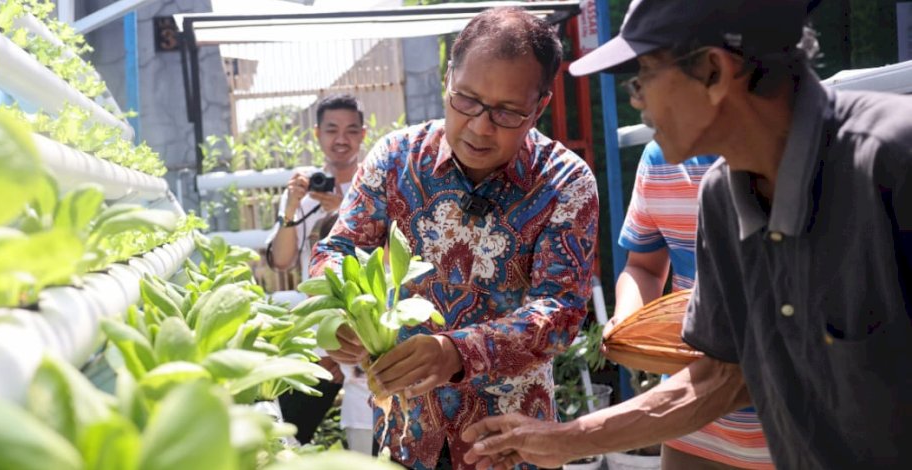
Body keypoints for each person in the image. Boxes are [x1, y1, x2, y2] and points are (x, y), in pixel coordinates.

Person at [461, 0, 912, 469]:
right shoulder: (721, 199)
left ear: (714, 71)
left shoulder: (893, 164)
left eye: (645, 76)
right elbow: (721, 375)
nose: (638, 101)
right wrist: (565, 439)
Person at [309, 7, 599, 469]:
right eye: (466, 100)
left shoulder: (564, 182)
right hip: (404, 433)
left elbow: (561, 310)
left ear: (540, 105)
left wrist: (457, 352)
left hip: (508, 443)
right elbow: (339, 250)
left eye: (507, 111)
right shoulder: (395, 160)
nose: (481, 127)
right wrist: (340, 311)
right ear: (448, 79)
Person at [611, 140, 773, 469]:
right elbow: (643, 266)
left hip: (797, 428)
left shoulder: (794, 155)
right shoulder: (660, 157)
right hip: (691, 424)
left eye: (646, 86)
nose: (641, 104)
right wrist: (626, 325)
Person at [265, 94, 375, 453]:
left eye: (350, 130)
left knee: (357, 377)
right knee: (315, 372)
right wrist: (293, 206)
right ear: (317, 134)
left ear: (363, 135)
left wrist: (343, 209)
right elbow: (281, 261)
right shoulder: (307, 190)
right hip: (318, 315)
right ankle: (291, 445)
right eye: (331, 130)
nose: (340, 139)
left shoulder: (375, 186)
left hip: (367, 312)